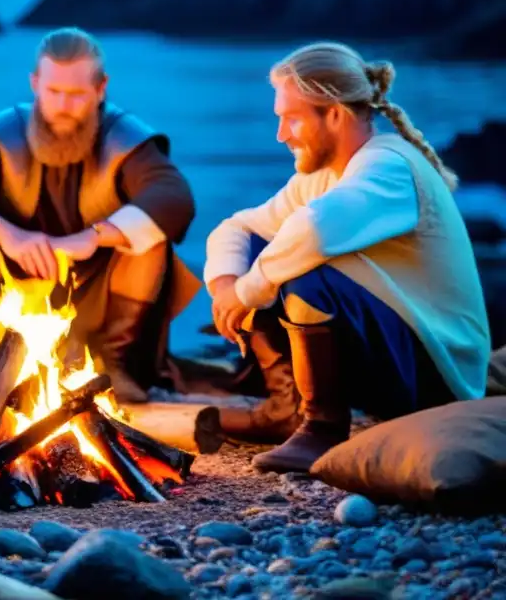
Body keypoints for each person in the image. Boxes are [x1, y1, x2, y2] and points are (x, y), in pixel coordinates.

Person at [204, 41, 491, 473]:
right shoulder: (321, 177)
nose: (281, 134)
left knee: (306, 266)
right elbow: (239, 228)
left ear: (334, 114)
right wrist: (228, 287)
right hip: (397, 361)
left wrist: (247, 292)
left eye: (291, 118)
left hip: (440, 376)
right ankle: (289, 408)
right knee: (263, 252)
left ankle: (321, 428)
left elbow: (315, 231)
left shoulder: (391, 165)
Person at [0, 27, 198, 403]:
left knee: (150, 234)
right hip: (21, 280)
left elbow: (173, 197)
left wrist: (93, 237)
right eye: (54, 92)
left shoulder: (124, 137)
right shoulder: (4, 133)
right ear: (35, 83)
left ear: (101, 88)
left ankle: (116, 367)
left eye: (77, 94)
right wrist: (8, 235)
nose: (64, 105)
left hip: (99, 294)